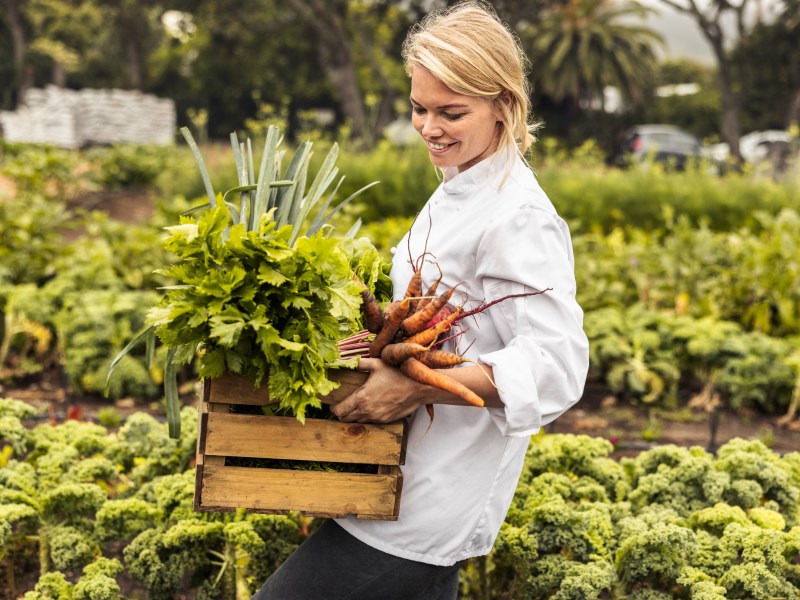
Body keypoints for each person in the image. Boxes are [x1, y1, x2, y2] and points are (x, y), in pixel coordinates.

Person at [252, 1, 589, 598]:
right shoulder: (458, 184)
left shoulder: (519, 217)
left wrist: (418, 385)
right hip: (390, 467)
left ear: (503, 106)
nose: (429, 127)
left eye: (451, 112)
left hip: (435, 493)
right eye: (419, 109)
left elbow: (557, 365)